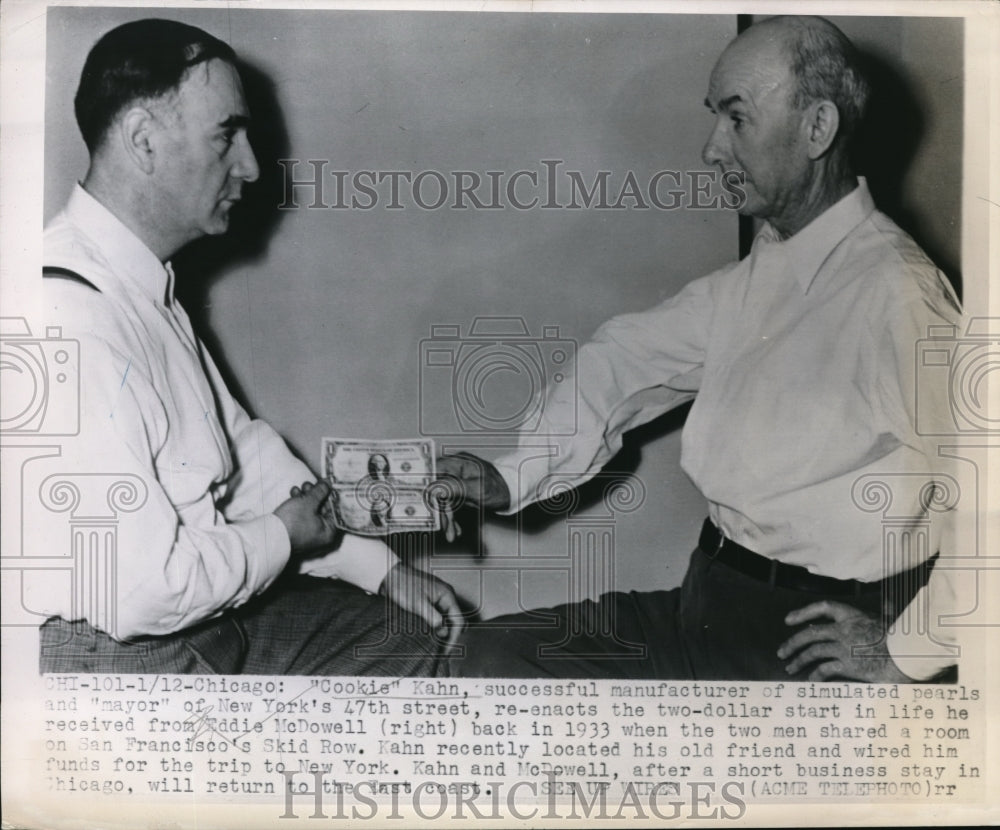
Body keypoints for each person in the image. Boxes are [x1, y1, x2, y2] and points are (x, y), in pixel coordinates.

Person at [438, 15, 961, 683]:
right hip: (703, 609)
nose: (712, 149)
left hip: (802, 645)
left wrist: (906, 652)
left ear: (817, 129)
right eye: (715, 118)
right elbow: (621, 362)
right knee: (487, 658)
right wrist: (509, 477)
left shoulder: (901, 296)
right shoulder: (770, 267)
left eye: (736, 119)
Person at [38, 18, 463, 674]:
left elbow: (242, 458)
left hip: (206, 617)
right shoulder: (69, 314)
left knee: (411, 638)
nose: (252, 166)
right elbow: (138, 594)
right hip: (122, 655)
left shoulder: (140, 288)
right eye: (226, 134)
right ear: (143, 140)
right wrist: (285, 537)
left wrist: (380, 571)